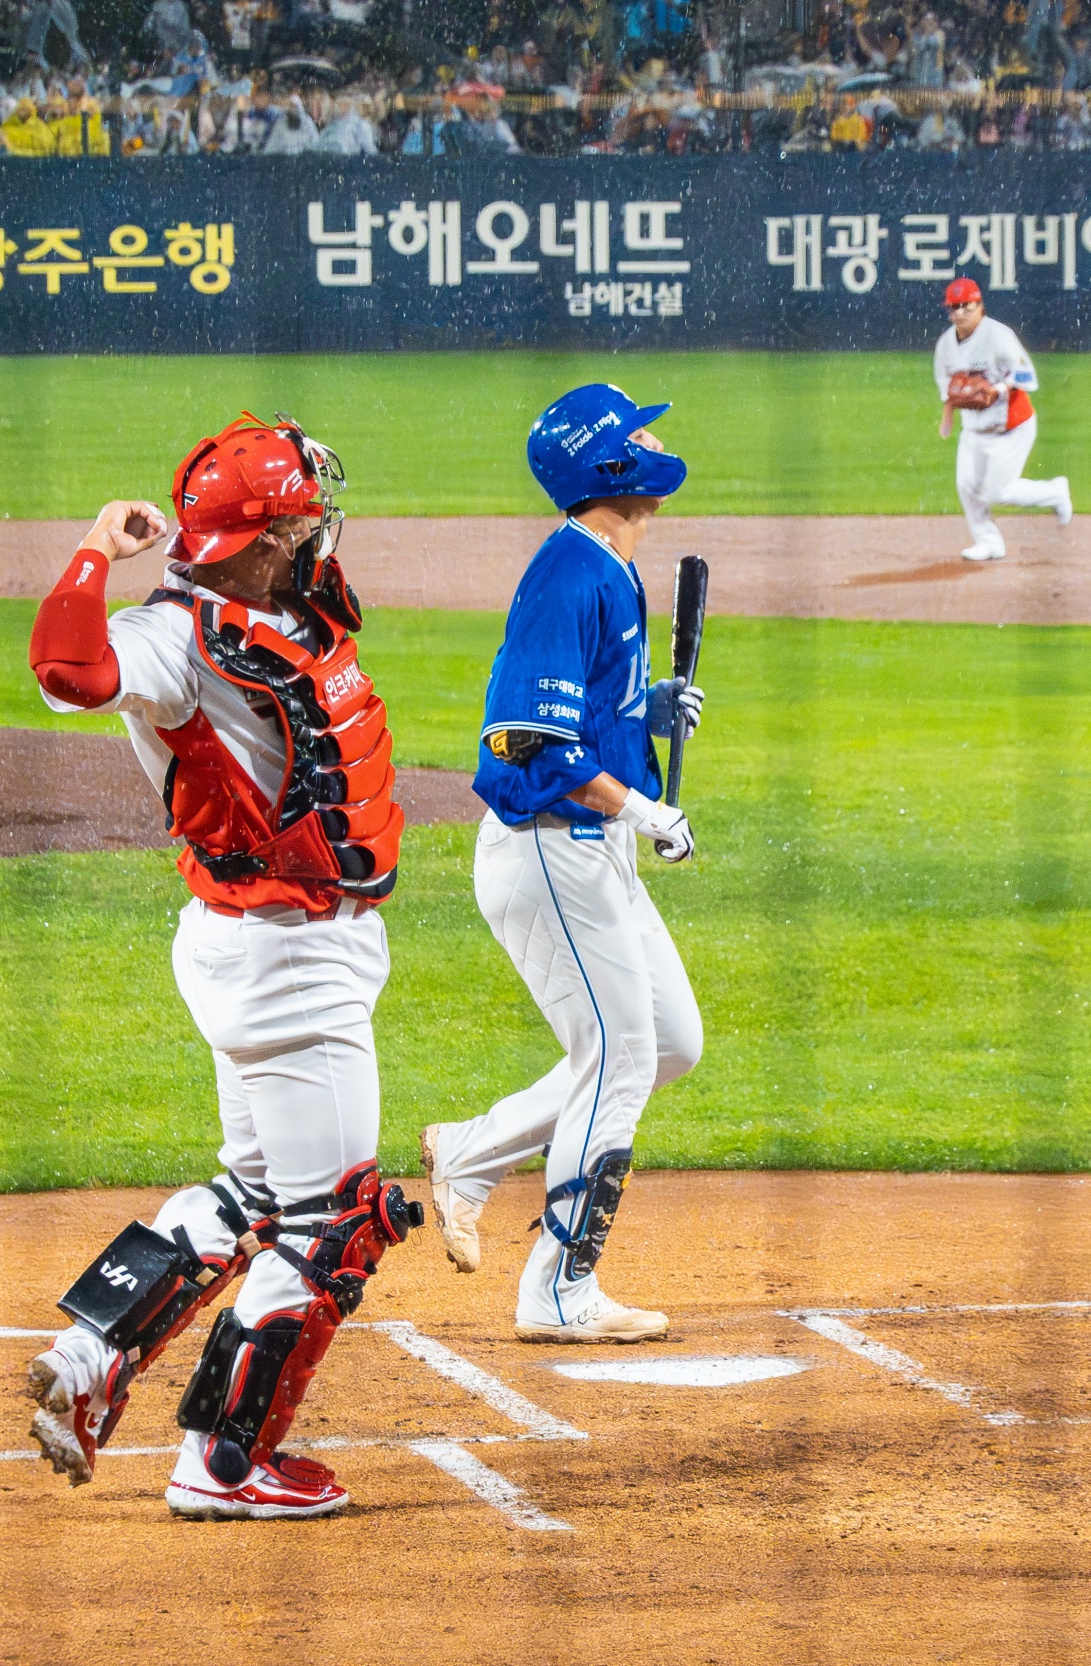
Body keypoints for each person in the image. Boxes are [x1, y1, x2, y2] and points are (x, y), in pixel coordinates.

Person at [21, 412, 421, 1520]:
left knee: (253, 1196)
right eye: (295, 523)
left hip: (272, 946)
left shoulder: (286, 605)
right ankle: (226, 1460)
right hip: (285, 955)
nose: (313, 535)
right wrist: (96, 547)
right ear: (253, 540)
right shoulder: (173, 639)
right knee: (332, 1223)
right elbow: (65, 669)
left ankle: (88, 1357)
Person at [420, 384, 707, 1344]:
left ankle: (470, 1152)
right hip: (550, 853)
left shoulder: (612, 565)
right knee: (621, 1056)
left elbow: (585, 713)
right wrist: (648, 809)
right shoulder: (568, 575)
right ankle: (559, 1287)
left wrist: (644, 710)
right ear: (607, 464)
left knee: (670, 1043)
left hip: (592, 852)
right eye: (638, 432)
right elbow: (530, 741)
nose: (654, 442)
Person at [933, 277, 1072, 562]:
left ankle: (1055, 492)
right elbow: (947, 384)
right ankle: (989, 542)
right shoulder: (946, 344)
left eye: (966, 305)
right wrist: (948, 413)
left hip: (1011, 426)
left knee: (998, 492)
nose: (960, 312)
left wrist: (997, 389)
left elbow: (1027, 375)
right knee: (966, 486)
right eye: (954, 307)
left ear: (980, 306)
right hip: (974, 428)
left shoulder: (998, 335)